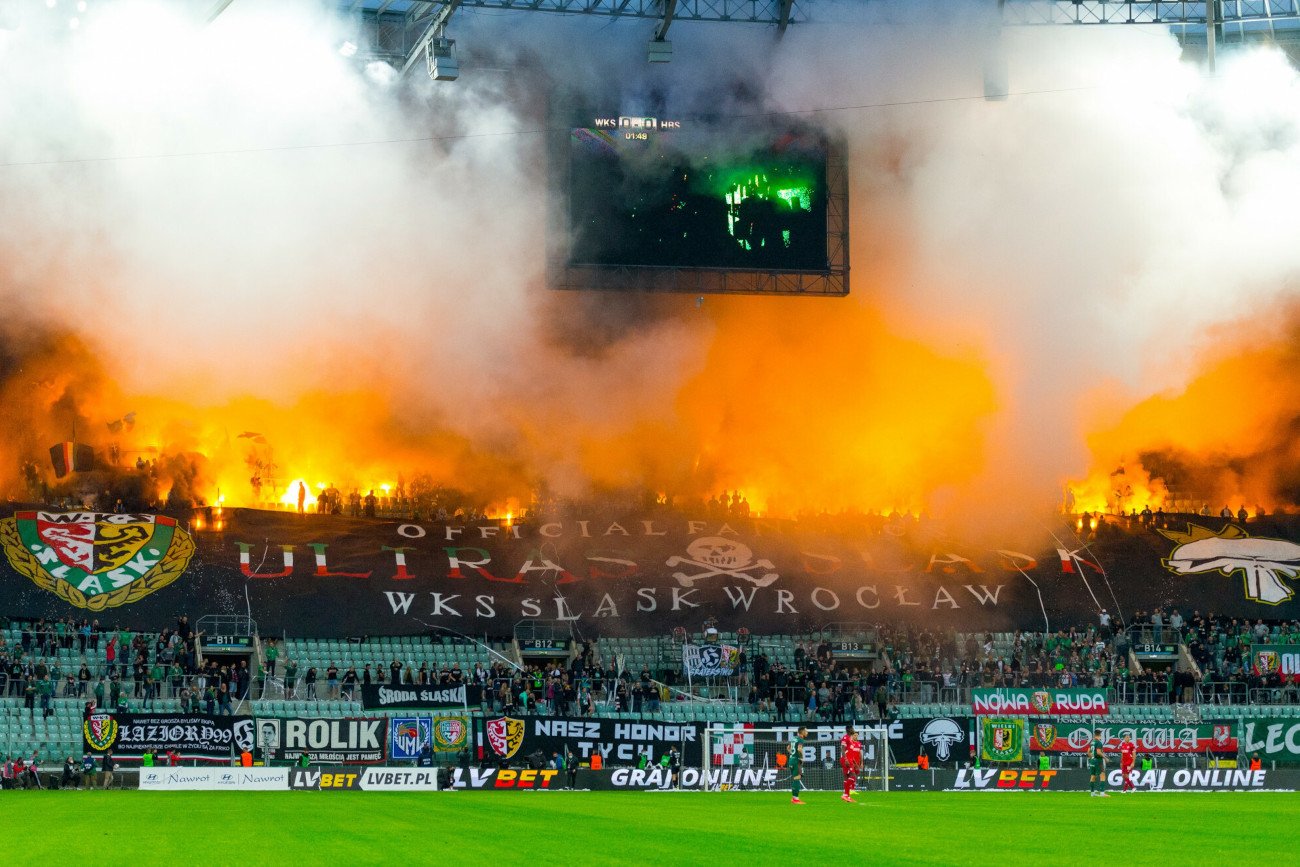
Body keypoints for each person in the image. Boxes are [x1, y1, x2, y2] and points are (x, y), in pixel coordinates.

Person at [840, 725, 862, 803]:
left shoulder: (850, 739)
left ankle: (847, 796)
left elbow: (851, 752)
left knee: (848, 777)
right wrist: (845, 759)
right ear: (849, 730)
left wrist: (855, 763)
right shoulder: (845, 737)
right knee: (853, 776)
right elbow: (842, 749)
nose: (853, 730)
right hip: (846, 760)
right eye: (852, 728)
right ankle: (845, 795)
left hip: (850, 760)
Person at [789, 726, 808, 805]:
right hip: (796, 760)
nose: (807, 732)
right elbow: (799, 749)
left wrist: (793, 755)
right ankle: (795, 799)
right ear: (802, 732)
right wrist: (801, 758)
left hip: (791, 759)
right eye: (806, 731)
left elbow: (788, 748)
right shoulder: (801, 739)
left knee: (795, 778)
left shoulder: (794, 738)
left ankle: (794, 797)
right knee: (797, 777)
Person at [1089, 730, 1108, 798]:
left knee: (1093, 776)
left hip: (1092, 760)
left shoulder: (1092, 742)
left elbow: (1088, 752)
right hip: (1098, 761)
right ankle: (1102, 793)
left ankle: (1092, 793)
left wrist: (1092, 758)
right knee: (1102, 775)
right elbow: (1098, 752)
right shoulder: (1099, 743)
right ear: (1099, 735)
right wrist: (1105, 758)